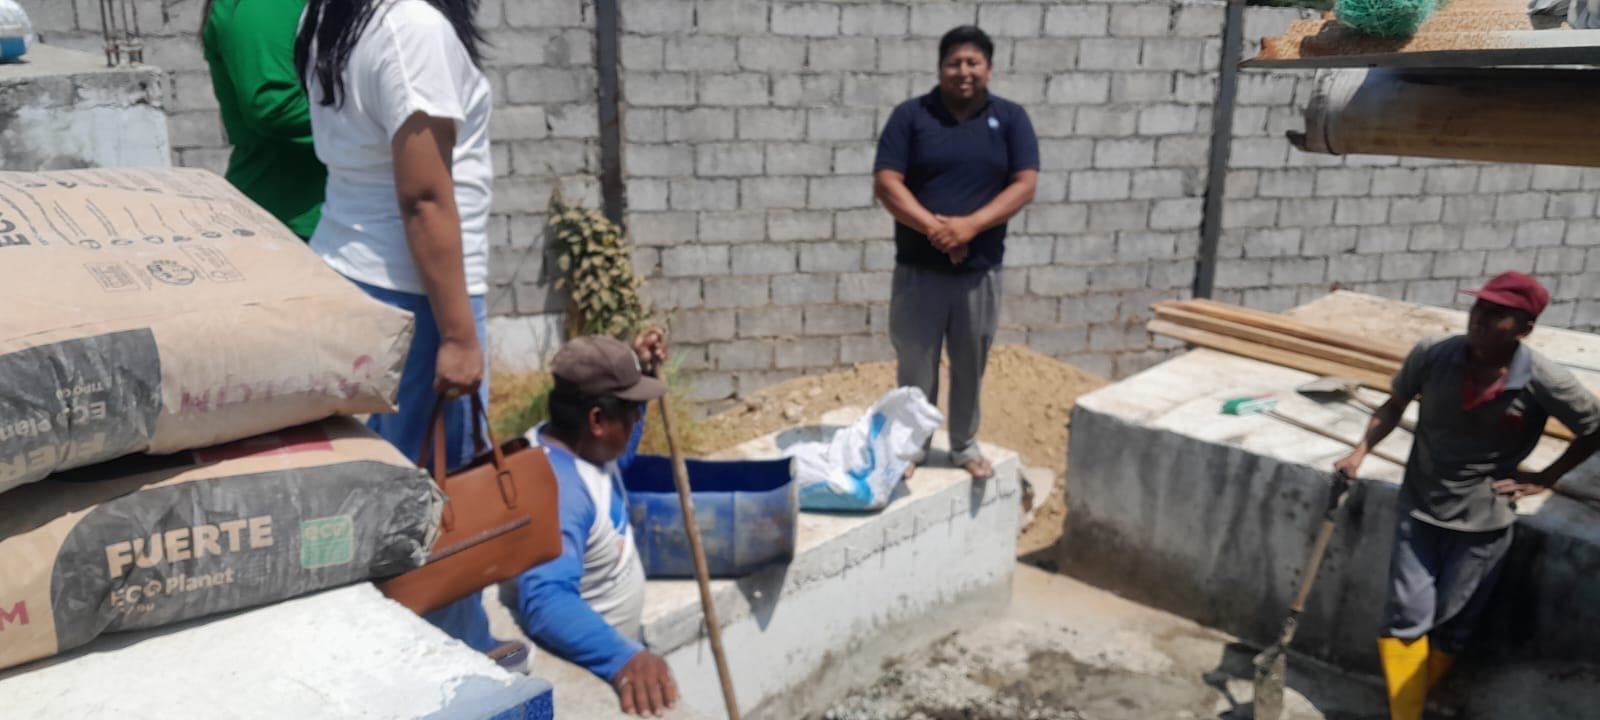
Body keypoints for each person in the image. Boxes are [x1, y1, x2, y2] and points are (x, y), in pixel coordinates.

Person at [295, 0, 512, 664]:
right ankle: (448, 655)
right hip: (417, 293)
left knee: (388, 487)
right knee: (435, 496)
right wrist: (459, 336)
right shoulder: (409, 26)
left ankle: (442, 637)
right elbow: (423, 196)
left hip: (358, 270)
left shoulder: (333, 13)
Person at [1333, 271, 1600, 720]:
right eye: (1479, 307)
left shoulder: (1544, 381)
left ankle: (1411, 700)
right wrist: (1359, 452)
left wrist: (1548, 476)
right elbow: (1394, 404)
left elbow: (1593, 429)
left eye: (1497, 314)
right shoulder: (1434, 353)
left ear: (1524, 329)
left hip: (1484, 522)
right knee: (1406, 619)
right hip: (1419, 507)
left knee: (1453, 625)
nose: (1480, 318)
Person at [872, 25, 1039, 481]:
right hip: (918, 270)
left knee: (970, 364)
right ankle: (911, 448)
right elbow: (887, 182)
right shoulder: (911, 117)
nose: (963, 71)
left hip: (979, 272)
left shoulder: (1010, 119)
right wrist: (936, 229)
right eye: (954, 63)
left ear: (989, 69)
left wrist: (970, 226)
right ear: (940, 68)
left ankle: (964, 445)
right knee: (915, 365)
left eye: (973, 63)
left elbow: (1025, 184)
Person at [509, 331, 679, 718]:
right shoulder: (559, 493)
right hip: (593, 658)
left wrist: (639, 370)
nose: (638, 420)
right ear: (598, 419)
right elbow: (545, 600)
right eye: (631, 412)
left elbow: (622, 449)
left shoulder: (581, 445)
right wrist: (623, 658)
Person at [202, 0, 327, 240]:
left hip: (315, 214)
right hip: (293, 221)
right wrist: (374, 125)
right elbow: (275, 107)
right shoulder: (264, 6)